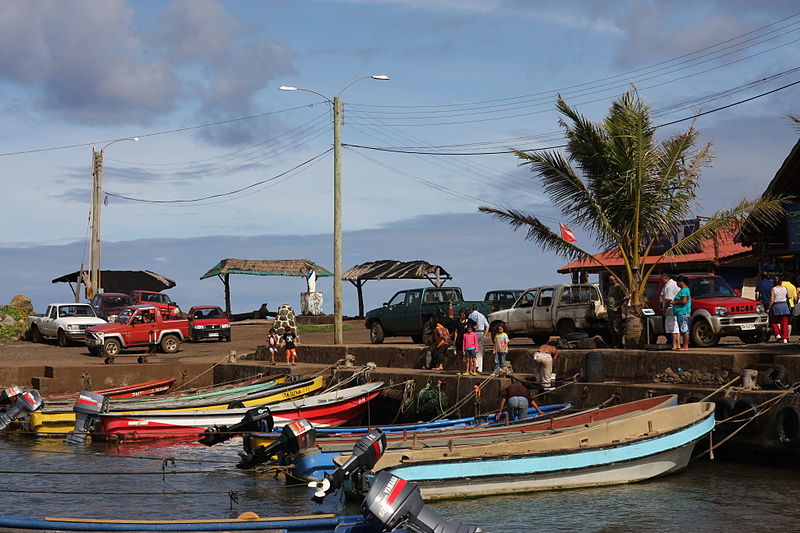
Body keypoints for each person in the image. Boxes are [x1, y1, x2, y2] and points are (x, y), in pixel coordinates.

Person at [659, 273, 680, 350]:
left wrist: (664, 310)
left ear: (666, 279)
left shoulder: (669, 286)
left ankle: (675, 344)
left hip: (670, 309)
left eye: (662, 280)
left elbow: (669, 300)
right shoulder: (671, 284)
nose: (662, 281)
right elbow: (661, 295)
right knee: (675, 327)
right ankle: (677, 344)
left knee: (673, 328)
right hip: (675, 309)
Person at [769, 275, 791, 343]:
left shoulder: (773, 289)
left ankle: (777, 335)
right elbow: (789, 296)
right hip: (784, 306)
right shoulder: (785, 288)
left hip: (776, 306)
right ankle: (785, 338)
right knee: (784, 323)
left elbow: (772, 299)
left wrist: (769, 308)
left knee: (774, 321)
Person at [672, 276, 692, 351]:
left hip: (683, 312)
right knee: (683, 329)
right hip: (680, 312)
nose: (676, 283)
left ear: (681, 282)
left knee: (684, 329)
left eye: (677, 282)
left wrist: (675, 302)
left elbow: (684, 301)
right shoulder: (684, 290)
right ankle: (685, 345)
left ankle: (685, 346)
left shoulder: (684, 290)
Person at [605, 275, 625, 348]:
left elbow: (623, 298)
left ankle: (619, 344)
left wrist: (618, 307)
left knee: (616, 327)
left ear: (615, 280)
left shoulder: (618, 287)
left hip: (616, 311)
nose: (610, 281)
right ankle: (614, 343)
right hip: (610, 311)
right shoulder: (610, 287)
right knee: (611, 328)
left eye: (611, 280)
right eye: (609, 280)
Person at [468, 305, 489, 373]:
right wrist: (485, 334)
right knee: (480, 351)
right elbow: (487, 325)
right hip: (481, 333)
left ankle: (475, 364)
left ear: (472, 309)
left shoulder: (471, 315)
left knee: (473, 348)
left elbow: (469, 324)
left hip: (474, 333)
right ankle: (480, 368)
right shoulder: (482, 315)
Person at [453, 310, 469, 374]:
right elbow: (456, 332)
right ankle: (460, 370)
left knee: (465, 357)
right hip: (459, 340)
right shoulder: (457, 322)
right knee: (459, 356)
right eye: (461, 315)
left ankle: (465, 370)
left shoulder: (468, 322)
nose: (462, 316)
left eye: (463, 315)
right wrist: (454, 341)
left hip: (466, 341)